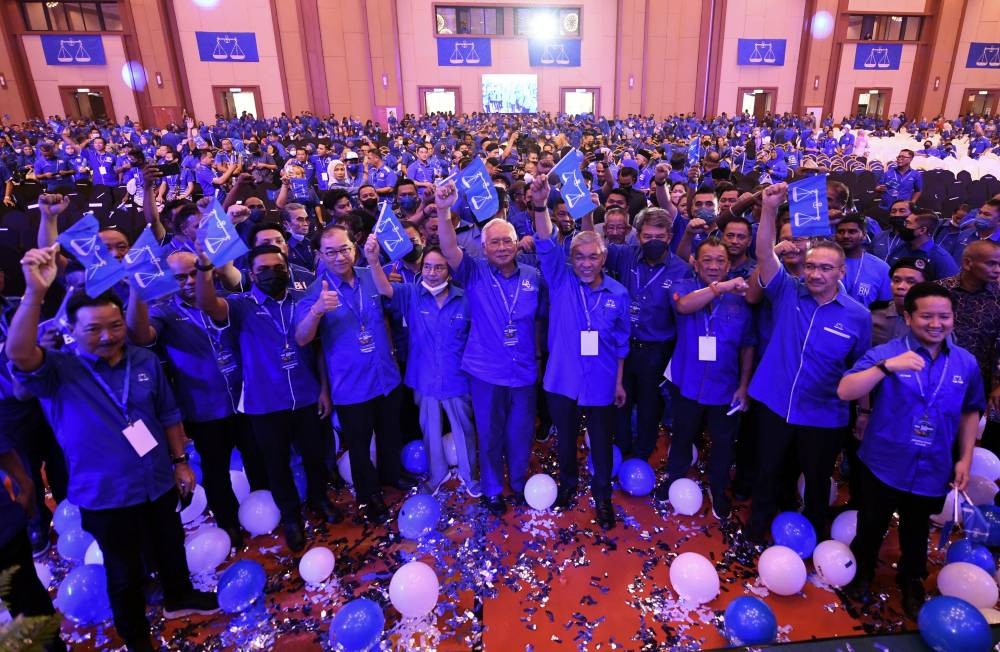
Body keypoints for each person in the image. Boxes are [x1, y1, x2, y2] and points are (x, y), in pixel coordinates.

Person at [7, 248, 217, 652]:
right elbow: (19, 353)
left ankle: (179, 597)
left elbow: (168, 413)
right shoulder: (56, 369)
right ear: (73, 329)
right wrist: (35, 293)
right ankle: (136, 636)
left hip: (156, 479)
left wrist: (180, 462)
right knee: (122, 571)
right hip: (105, 494)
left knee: (170, 544)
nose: (107, 335)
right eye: (94, 329)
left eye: (115, 325)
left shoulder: (143, 359)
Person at [838, 283, 984, 618]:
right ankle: (861, 573)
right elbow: (845, 390)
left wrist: (965, 458)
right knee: (871, 524)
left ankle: (911, 579)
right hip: (884, 461)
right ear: (908, 316)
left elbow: (970, 411)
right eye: (927, 316)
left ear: (953, 318)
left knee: (917, 528)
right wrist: (886, 367)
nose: (936, 324)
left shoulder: (966, 363)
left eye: (944, 316)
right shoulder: (888, 352)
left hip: (933, 464)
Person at [195, 244, 341, 552]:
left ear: (287, 269)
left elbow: (317, 349)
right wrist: (205, 266)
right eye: (263, 269)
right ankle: (290, 516)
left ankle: (318, 498)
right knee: (277, 464)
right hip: (264, 403)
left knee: (315, 456)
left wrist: (324, 389)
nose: (271, 274)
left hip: (306, 395)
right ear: (251, 273)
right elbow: (206, 303)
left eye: (277, 267)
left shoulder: (303, 301)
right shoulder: (239, 305)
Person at [747, 183, 871, 541]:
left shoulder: (857, 316)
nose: (816, 274)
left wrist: (863, 413)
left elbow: (860, 367)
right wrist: (769, 209)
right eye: (812, 266)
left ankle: (814, 534)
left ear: (841, 273)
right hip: (774, 403)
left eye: (826, 268)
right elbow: (765, 256)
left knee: (816, 478)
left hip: (823, 414)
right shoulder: (787, 291)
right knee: (768, 471)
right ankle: (758, 529)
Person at [126, 251, 269, 549]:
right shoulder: (162, 311)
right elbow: (140, 337)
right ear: (168, 280)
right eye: (180, 277)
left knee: (258, 460)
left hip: (244, 399)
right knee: (216, 473)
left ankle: (265, 508)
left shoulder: (224, 301)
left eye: (194, 272)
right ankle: (229, 523)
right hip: (202, 409)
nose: (190, 281)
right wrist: (137, 291)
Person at [435, 180, 545, 516]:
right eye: (494, 241)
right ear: (483, 247)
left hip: (524, 369)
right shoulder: (473, 272)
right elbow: (449, 247)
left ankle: (519, 480)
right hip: (485, 371)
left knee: (521, 431)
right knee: (490, 432)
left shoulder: (532, 275)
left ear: (516, 244)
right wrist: (443, 210)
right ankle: (494, 489)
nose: (501, 247)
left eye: (507, 241)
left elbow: (539, 319)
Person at [530, 175, 629, 530]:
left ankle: (602, 496)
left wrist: (618, 382)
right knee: (566, 440)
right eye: (580, 257)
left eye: (593, 257)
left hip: (602, 379)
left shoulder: (617, 293)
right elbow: (543, 240)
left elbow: (621, 342)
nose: (586, 263)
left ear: (603, 258)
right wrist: (541, 204)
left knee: (601, 442)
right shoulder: (559, 279)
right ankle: (569, 486)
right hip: (562, 379)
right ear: (571, 258)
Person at [294, 225, 411, 524]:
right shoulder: (314, 291)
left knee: (390, 434)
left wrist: (375, 265)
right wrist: (317, 310)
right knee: (359, 446)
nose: (339, 257)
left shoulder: (371, 276)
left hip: (385, 375)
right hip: (351, 384)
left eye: (344, 249)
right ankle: (369, 494)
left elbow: (392, 303)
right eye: (330, 251)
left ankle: (392, 474)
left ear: (354, 248)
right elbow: (302, 338)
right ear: (320, 254)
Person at [363, 238, 480, 497]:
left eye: (439, 267)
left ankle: (470, 476)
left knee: (464, 429)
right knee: (430, 430)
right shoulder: (412, 293)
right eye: (427, 267)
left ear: (449, 269)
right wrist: (373, 260)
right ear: (421, 268)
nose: (432, 272)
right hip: (424, 377)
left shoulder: (465, 299)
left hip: (457, 377)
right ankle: (437, 475)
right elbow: (384, 288)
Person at [652, 238, 753, 519]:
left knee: (722, 443)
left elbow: (747, 346)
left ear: (730, 264)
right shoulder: (683, 286)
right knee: (682, 435)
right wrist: (721, 287)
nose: (713, 266)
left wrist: (744, 386)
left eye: (720, 261)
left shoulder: (741, 297)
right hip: (687, 382)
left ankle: (717, 489)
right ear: (695, 262)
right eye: (707, 260)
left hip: (726, 387)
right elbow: (684, 306)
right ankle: (674, 478)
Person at [602, 207, 691, 460]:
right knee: (620, 402)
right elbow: (593, 247)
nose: (653, 241)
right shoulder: (625, 255)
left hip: (657, 350)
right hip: (623, 347)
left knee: (650, 407)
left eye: (659, 237)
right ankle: (621, 448)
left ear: (670, 236)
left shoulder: (681, 269)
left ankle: (642, 454)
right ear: (637, 235)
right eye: (647, 236)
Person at [935, 240, 1000, 452]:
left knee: (962, 444)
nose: (997, 270)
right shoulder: (939, 291)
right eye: (991, 264)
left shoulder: (998, 296)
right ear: (968, 263)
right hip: (936, 377)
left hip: (978, 382)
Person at [834, 214, 891, 307]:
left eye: (852, 232)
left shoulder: (881, 268)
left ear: (864, 235)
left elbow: (885, 308)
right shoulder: (823, 263)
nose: (845, 236)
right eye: (840, 231)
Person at [885, 209, 959, 278]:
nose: (903, 226)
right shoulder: (899, 249)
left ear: (922, 230)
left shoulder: (941, 258)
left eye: (908, 223)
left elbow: (951, 288)